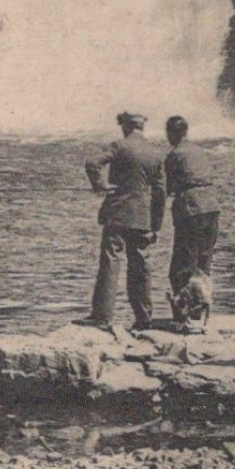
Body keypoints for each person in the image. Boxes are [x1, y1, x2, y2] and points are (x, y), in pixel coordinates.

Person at [79, 111, 168, 331]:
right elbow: (160, 193)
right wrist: (156, 225)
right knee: (141, 266)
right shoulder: (156, 153)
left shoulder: (119, 146)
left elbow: (92, 163)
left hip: (118, 213)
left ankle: (102, 317)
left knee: (111, 262)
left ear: (126, 127)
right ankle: (143, 318)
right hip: (143, 217)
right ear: (142, 127)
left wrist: (100, 186)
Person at [163, 115, 219, 333]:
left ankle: (183, 318)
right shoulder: (200, 151)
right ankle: (199, 315)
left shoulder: (174, 155)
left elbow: (166, 189)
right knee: (203, 265)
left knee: (181, 268)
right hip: (212, 207)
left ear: (172, 134)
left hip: (191, 210)